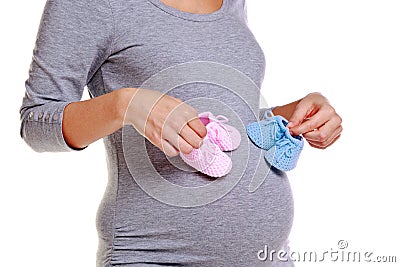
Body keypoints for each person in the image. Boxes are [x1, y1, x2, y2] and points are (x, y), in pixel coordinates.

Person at [20, 0, 342, 266]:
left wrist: (294, 114)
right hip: (155, 255)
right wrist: (124, 104)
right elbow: (36, 123)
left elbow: (224, 116)